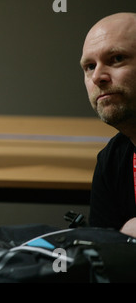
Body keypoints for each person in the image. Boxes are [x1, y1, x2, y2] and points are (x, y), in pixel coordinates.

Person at [80, 12, 136, 237]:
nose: (97, 77)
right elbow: (102, 259)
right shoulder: (111, 159)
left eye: (117, 58)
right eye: (90, 66)